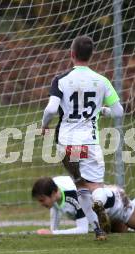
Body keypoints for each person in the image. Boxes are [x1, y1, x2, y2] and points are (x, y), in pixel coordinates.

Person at [41, 35, 124, 240]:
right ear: (91, 55)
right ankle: (99, 202)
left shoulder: (60, 79)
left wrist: (44, 125)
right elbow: (119, 112)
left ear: (72, 54)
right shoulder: (102, 81)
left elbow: (51, 109)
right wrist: (102, 111)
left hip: (66, 144)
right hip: (89, 142)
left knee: (80, 186)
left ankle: (97, 229)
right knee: (96, 188)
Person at [32, 165, 135, 235]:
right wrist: (52, 230)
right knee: (122, 231)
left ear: (52, 193)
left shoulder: (74, 195)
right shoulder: (55, 187)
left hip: (117, 204)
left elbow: (83, 230)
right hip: (105, 206)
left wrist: (53, 234)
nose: (41, 204)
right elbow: (55, 210)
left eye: (42, 200)